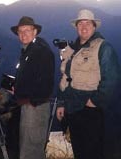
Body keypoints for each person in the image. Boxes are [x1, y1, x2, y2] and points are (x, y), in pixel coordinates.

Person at [56, 9, 121, 159]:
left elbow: (112, 78)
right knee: (78, 150)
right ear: (76, 27)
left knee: (92, 153)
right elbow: (65, 77)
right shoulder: (71, 49)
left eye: (88, 23)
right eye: (80, 23)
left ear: (94, 26)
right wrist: (61, 102)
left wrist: (95, 101)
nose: (83, 26)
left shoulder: (103, 47)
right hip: (72, 109)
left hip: (90, 110)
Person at [10, 16, 55, 159]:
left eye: (27, 30)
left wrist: (31, 100)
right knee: (29, 147)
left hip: (34, 107)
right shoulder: (29, 50)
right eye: (20, 31)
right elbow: (31, 78)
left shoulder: (41, 51)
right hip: (29, 105)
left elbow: (45, 82)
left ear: (35, 31)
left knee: (31, 149)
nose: (23, 34)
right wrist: (17, 88)